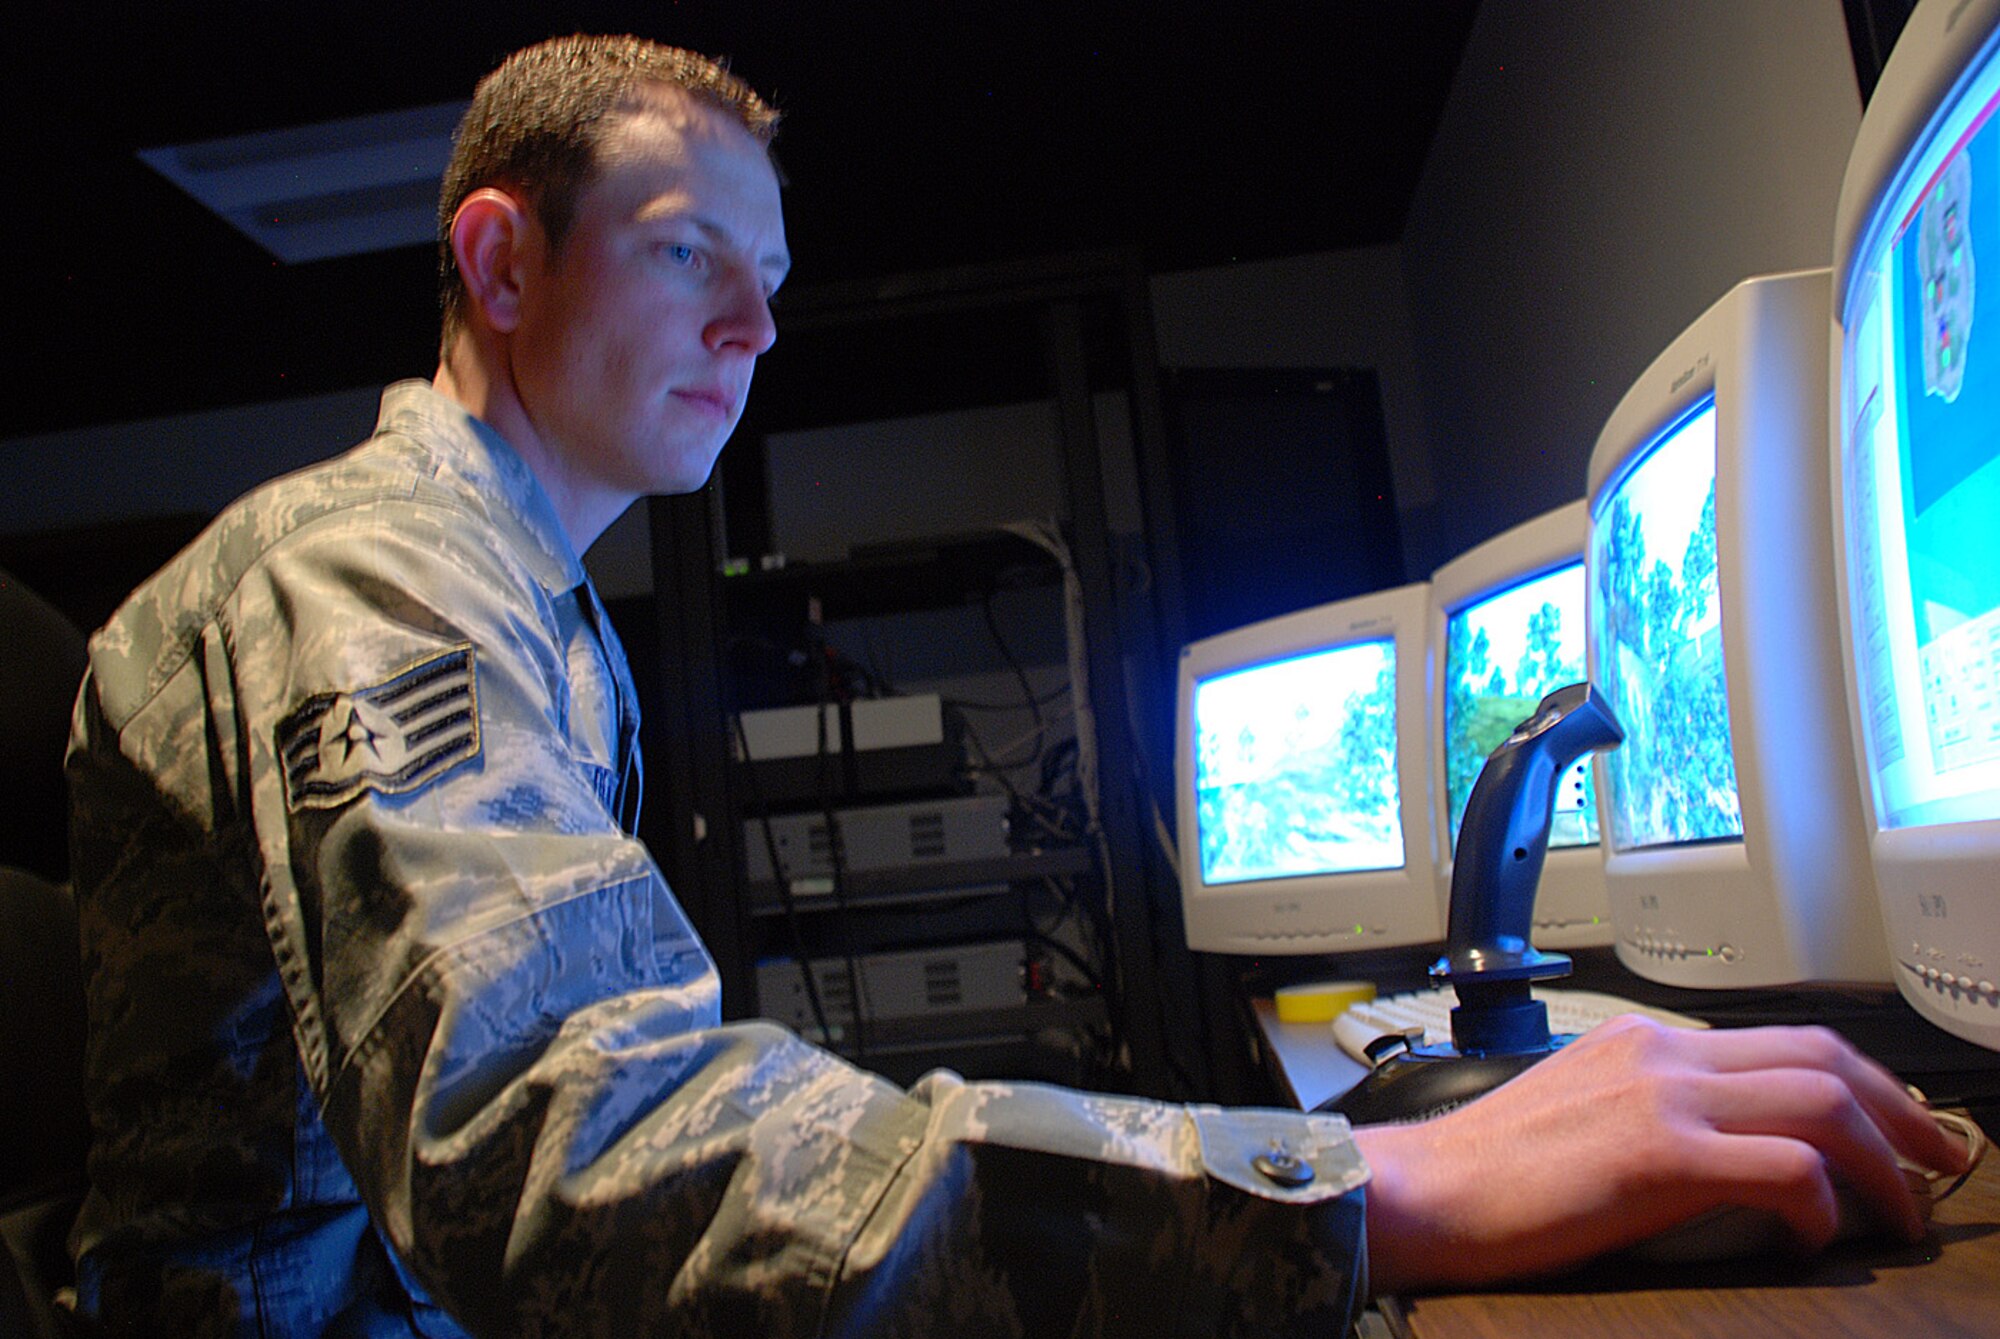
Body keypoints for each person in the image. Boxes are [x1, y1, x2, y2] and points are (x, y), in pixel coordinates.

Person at [64, 33, 1968, 1339]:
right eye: (687, 254)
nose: (756, 324)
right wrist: (1369, 1194)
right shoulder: (370, 567)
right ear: (500, 256)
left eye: (776, 276)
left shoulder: (533, 604)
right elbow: (564, 1153)